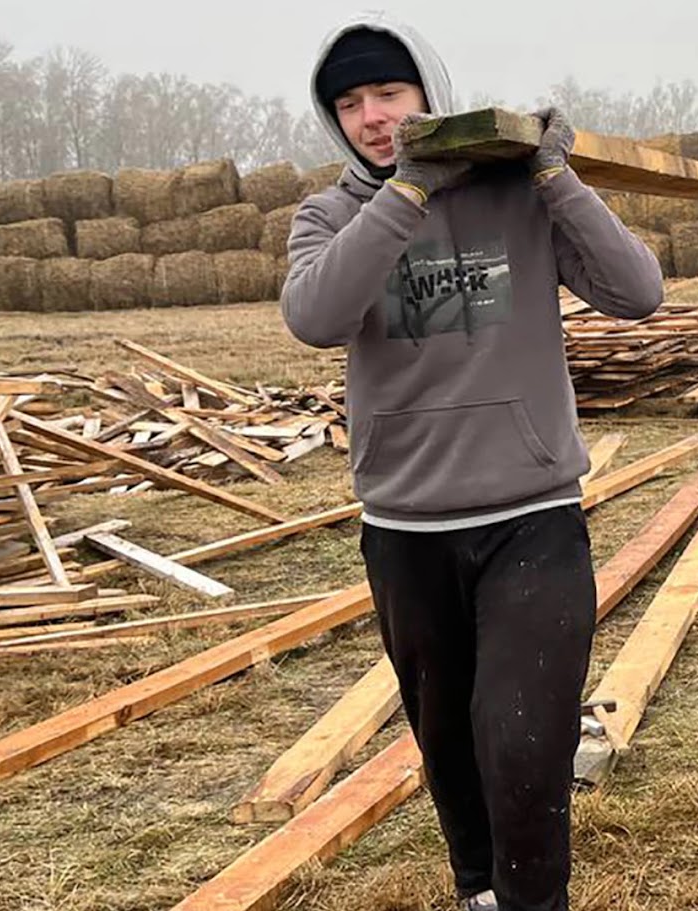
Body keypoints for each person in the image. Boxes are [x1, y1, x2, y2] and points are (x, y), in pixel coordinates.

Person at [281, 13, 663, 911]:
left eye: (389, 93)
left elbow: (637, 292)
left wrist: (556, 175)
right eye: (350, 103)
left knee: (523, 742)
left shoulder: (518, 194)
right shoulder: (330, 214)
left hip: (530, 518)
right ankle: (478, 890)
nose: (372, 116)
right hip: (407, 529)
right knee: (448, 741)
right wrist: (406, 191)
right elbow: (316, 316)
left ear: (430, 95)